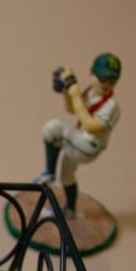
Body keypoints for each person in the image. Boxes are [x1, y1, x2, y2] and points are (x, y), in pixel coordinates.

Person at [36, 52, 121, 217]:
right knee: (67, 176)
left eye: (112, 81)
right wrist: (66, 90)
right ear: (92, 73)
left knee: (52, 127)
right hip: (79, 142)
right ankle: (70, 210)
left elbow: (91, 126)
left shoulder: (112, 106)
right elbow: (71, 109)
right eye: (102, 78)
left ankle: (48, 172)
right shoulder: (90, 92)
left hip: (89, 147)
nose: (106, 84)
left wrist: (75, 94)